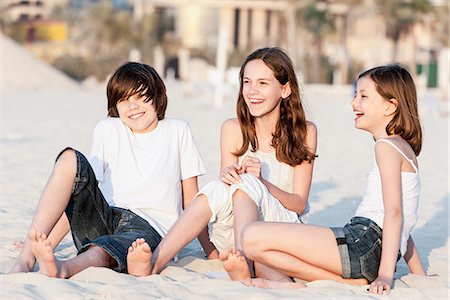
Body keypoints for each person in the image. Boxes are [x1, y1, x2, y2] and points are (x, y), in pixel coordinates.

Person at [125, 47, 317, 283]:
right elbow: (226, 195)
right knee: (219, 187)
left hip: (281, 229)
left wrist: (261, 182)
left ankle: (245, 262)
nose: (252, 91)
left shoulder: (305, 132)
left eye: (263, 83)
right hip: (236, 233)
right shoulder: (232, 129)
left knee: (246, 183)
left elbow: (298, 204)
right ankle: (155, 261)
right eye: (247, 82)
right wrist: (229, 176)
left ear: (285, 89)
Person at [239, 64, 427, 294]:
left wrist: (386, 276)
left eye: (363, 96)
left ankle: (344, 282)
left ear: (390, 106)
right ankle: (347, 281)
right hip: (370, 248)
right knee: (261, 252)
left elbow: (395, 213)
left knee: (250, 237)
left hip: (363, 241)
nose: (354, 102)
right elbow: (405, 222)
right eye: (355, 94)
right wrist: (419, 274)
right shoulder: (402, 148)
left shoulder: (386, 148)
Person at [9, 62, 207, 278]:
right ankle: (27, 258)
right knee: (69, 159)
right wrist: (46, 243)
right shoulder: (108, 129)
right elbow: (79, 193)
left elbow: (192, 200)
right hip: (105, 215)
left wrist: (210, 251)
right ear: (115, 105)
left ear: (158, 98)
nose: (133, 106)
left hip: (148, 229)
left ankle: (64, 268)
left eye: (141, 97)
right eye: (124, 99)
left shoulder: (177, 130)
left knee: (104, 250)